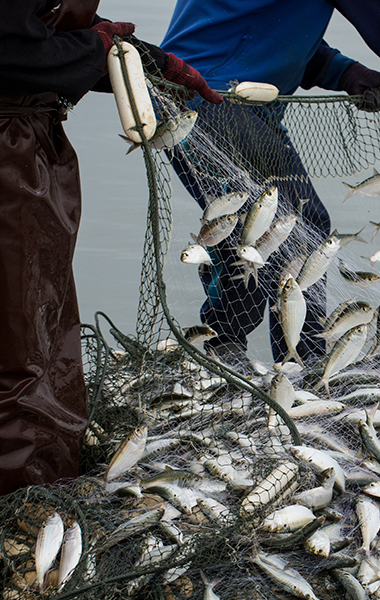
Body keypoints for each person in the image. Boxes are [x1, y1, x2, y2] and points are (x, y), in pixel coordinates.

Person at [161, 0, 380, 367]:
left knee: (273, 231)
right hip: (214, 101)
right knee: (285, 233)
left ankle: (256, 356)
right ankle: (285, 363)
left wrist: (342, 71)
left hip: (198, 93)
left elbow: (262, 23)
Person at [0, 0, 221, 495]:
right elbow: (12, 54)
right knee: (16, 339)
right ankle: (22, 495)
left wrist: (147, 60)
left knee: (41, 322)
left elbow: (40, 38)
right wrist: (97, 47)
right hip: (6, 154)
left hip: (27, 143)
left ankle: (45, 477)